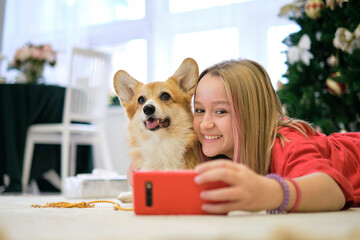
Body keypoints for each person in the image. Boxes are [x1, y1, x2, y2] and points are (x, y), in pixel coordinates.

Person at [192, 59, 360, 214]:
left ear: (253, 114)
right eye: (199, 110)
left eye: (221, 111)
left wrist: (269, 192)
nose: (205, 124)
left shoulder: (287, 141)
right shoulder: (206, 149)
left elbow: (332, 192)